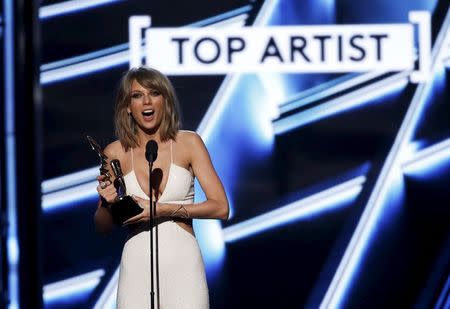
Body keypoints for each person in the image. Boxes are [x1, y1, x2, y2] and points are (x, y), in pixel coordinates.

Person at [94, 66, 229, 308]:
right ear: (127, 106)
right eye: (137, 95)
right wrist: (106, 202)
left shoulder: (189, 143)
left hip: (183, 266)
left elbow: (220, 207)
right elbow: (103, 227)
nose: (146, 101)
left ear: (165, 100)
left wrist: (162, 209)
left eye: (154, 93)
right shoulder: (114, 153)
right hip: (137, 268)